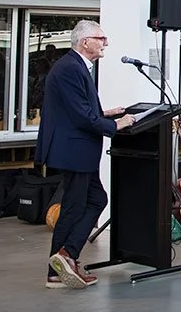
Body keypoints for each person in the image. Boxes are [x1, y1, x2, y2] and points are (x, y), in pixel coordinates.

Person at [37, 20, 134, 289]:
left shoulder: (76, 66)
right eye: (101, 38)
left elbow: (78, 110)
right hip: (73, 149)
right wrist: (115, 125)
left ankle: (64, 261)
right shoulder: (70, 68)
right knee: (76, 206)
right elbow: (80, 116)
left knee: (94, 200)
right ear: (85, 42)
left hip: (77, 148)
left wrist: (104, 114)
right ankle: (62, 262)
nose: (106, 43)